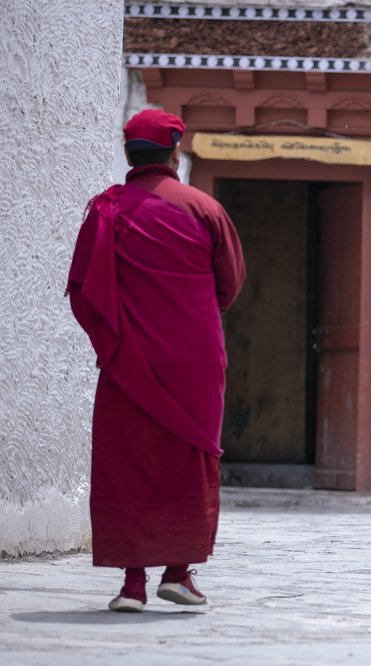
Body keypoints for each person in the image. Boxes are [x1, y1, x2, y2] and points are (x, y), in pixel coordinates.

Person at [66, 109, 246, 611]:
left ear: (129, 154)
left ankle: (132, 585)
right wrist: (190, 318)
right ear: (175, 152)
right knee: (188, 459)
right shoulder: (203, 208)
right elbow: (229, 282)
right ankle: (178, 574)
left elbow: (82, 291)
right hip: (194, 360)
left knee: (129, 462)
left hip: (127, 361)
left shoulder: (107, 210)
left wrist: (114, 340)